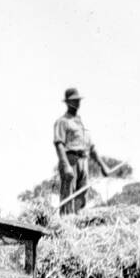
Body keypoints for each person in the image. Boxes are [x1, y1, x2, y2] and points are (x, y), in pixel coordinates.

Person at [53, 87, 119, 215]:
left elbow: (91, 147)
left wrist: (103, 166)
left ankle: (76, 221)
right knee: (68, 195)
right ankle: (66, 223)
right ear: (67, 102)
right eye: (74, 100)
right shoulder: (62, 122)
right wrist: (66, 166)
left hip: (84, 160)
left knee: (82, 194)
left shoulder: (80, 123)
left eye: (78, 100)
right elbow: (59, 144)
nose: (77, 103)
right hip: (70, 160)